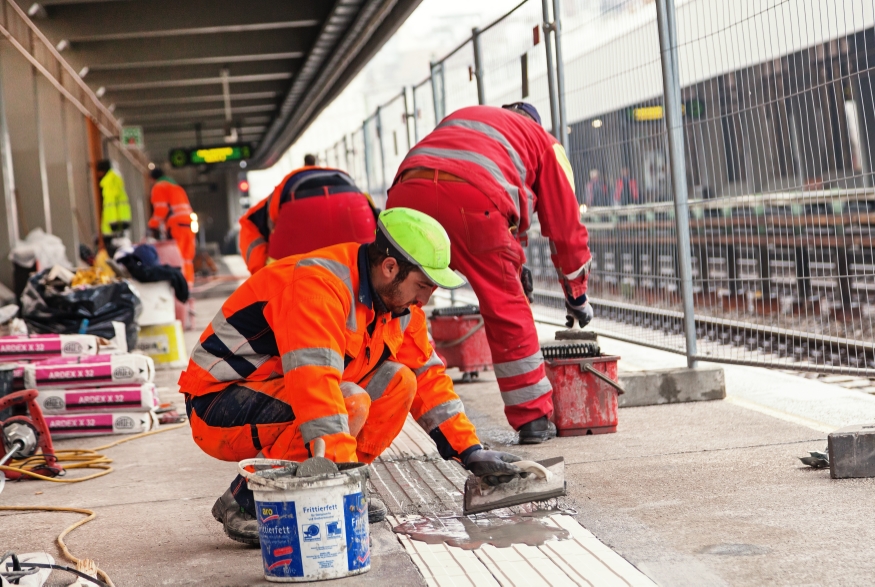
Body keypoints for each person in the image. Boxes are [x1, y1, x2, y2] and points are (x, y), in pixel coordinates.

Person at [178, 208, 525, 544]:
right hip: (218, 402)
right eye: (423, 285)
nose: (425, 298)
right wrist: (341, 478)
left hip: (278, 392)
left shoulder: (399, 305)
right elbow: (315, 387)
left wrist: (471, 451)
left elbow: (427, 376)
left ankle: (322, 488)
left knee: (400, 382)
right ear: (390, 267)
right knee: (347, 400)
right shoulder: (320, 286)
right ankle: (247, 499)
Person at [385, 103, 593, 444]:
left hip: (408, 193)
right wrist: (577, 294)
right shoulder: (544, 142)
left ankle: (377, 387)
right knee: (504, 306)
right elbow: (566, 229)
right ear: (536, 124)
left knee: (401, 302)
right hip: (472, 200)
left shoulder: (470, 119)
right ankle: (533, 419)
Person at [238, 166, 378, 274]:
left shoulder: (264, 209)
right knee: (366, 273)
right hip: (354, 204)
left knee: (278, 282)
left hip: (299, 208)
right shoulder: (353, 186)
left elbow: (247, 223)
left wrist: (261, 273)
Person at [148, 168, 196, 284]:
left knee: (177, 257)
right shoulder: (177, 187)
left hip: (176, 226)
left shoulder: (159, 187)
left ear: (153, 179)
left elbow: (161, 210)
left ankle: (180, 286)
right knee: (187, 257)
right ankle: (188, 285)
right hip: (189, 224)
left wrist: (151, 226)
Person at [96, 160, 131, 239]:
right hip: (121, 222)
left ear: (102, 170)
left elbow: (110, 204)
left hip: (113, 225)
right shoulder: (115, 179)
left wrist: (112, 222)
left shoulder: (108, 182)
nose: (97, 174)